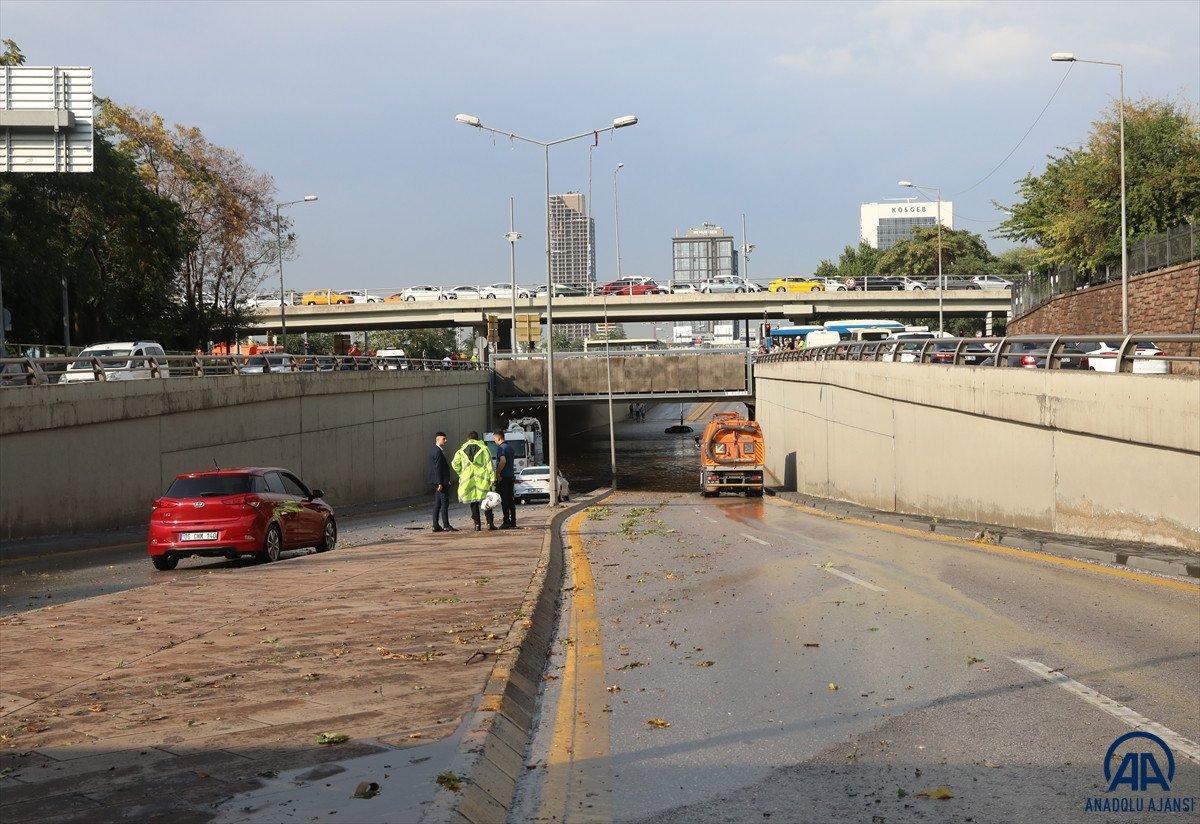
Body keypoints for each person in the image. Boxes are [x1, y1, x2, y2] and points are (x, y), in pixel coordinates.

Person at [451, 431, 497, 531]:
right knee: (487, 502)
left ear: (468, 439)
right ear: (478, 439)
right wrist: (493, 478)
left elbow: (454, 464)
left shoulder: (461, 450)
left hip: (468, 480)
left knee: (473, 502)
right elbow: (489, 464)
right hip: (483, 480)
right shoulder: (484, 449)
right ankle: (490, 524)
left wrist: (461, 473)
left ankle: (477, 525)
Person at [428, 432, 457, 533]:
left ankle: (435, 525)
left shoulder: (434, 450)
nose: (446, 441)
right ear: (438, 439)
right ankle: (446, 525)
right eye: (443, 439)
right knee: (444, 503)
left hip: (438, 481)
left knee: (438, 503)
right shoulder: (437, 451)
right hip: (441, 482)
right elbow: (438, 468)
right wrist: (440, 483)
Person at [492, 431, 517, 529]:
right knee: (511, 500)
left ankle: (506, 521)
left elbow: (502, 461)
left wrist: (497, 473)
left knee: (505, 501)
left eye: (494, 439)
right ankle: (513, 521)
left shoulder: (501, 448)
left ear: (498, 438)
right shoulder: (510, 448)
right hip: (511, 476)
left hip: (504, 478)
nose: (494, 441)